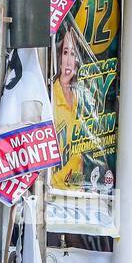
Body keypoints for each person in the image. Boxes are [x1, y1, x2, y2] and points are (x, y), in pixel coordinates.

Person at [52, 28, 90, 190]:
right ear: (58, 56)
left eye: (73, 54)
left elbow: (80, 156)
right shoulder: (51, 95)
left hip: (76, 193)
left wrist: (76, 186)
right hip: (53, 191)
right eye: (65, 52)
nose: (68, 61)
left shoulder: (81, 97)